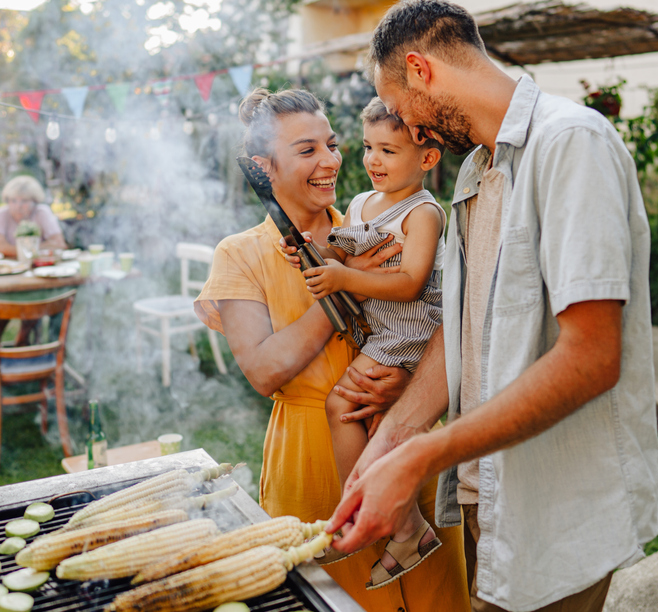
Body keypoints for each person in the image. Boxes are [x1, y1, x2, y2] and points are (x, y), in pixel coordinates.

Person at [327, 0, 658, 612]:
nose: (412, 133)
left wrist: (426, 452)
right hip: (490, 497)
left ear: (421, 70)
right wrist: (392, 441)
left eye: (403, 111)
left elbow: (592, 357)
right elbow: (464, 327)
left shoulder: (571, 143)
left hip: (560, 508)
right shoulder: (475, 170)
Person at [193, 87, 470, 612]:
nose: (331, 162)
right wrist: (343, 286)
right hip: (314, 467)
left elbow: (437, 316)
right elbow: (264, 370)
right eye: (306, 151)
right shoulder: (240, 255)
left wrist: (412, 381)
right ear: (263, 166)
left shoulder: (378, 223)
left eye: (332, 143)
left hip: (407, 442)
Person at [300, 97, 447, 588]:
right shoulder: (362, 203)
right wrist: (312, 250)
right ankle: (408, 530)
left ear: (427, 158)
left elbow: (409, 282)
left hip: (408, 330)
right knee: (374, 420)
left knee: (341, 405)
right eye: (367, 147)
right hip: (376, 329)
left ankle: (360, 511)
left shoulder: (423, 213)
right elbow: (346, 246)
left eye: (388, 149)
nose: (372, 160)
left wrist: (342, 277)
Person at [0, 176, 67, 258]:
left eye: (24, 200)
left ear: (34, 201)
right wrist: (36, 250)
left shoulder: (42, 212)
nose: (18, 206)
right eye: (13, 200)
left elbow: (59, 244)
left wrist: (9, 249)